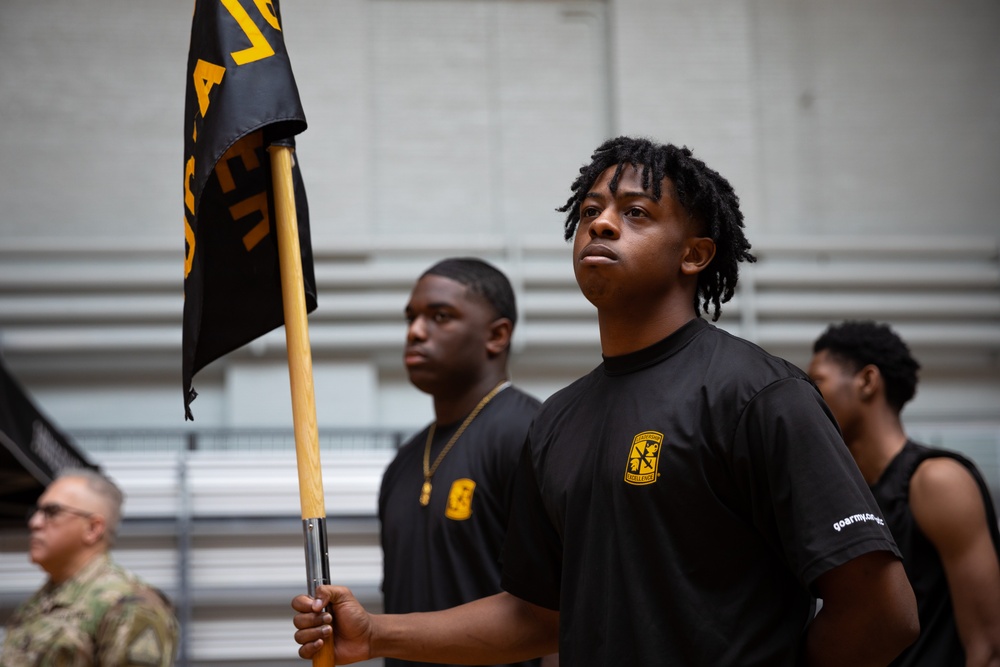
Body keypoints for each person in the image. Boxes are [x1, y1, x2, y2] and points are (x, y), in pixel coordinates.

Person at [291, 136, 918, 665]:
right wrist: (375, 633)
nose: (601, 221)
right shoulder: (559, 419)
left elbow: (882, 611)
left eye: (636, 212)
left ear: (695, 255)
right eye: (590, 209)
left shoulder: (757, 393)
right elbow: (535, 617)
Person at [378, 257, 548, 667]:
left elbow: (560, 615)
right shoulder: (403, 462)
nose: (415, 331)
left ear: (497, 335)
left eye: (440, 316)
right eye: (411, 318)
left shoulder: (532, 435)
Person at [809, 320, 1000, 666]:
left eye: (818, 382)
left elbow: (989, 647)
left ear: (867, 381)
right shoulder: (852, 498)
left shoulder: (937, 481)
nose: (809, 399)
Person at [1, 468, 178, 666]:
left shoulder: (129, 605)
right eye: (36, 512)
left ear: (93, 529)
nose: (34, 523)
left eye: (52, 512)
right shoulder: (40, 602)